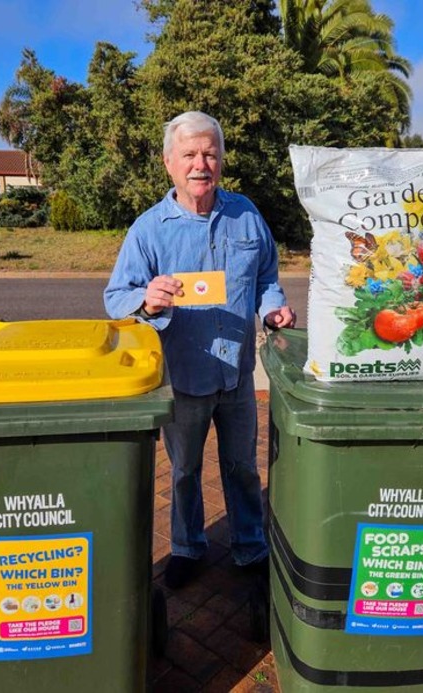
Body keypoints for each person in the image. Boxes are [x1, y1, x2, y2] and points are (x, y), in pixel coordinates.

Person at [104, 111, 296, 589]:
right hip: (184, 376)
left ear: (222, 160)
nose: (200, 163)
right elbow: (116, 297)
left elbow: (267, 277)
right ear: (169, 163)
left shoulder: (246, 214)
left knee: (243, 468)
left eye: (210, 153)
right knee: (186, 471)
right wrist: (145, 301)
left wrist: (273, 308)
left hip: (237, 376)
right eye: (189, 154)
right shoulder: (149, 229)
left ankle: (250, 546)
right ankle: (188, 547)